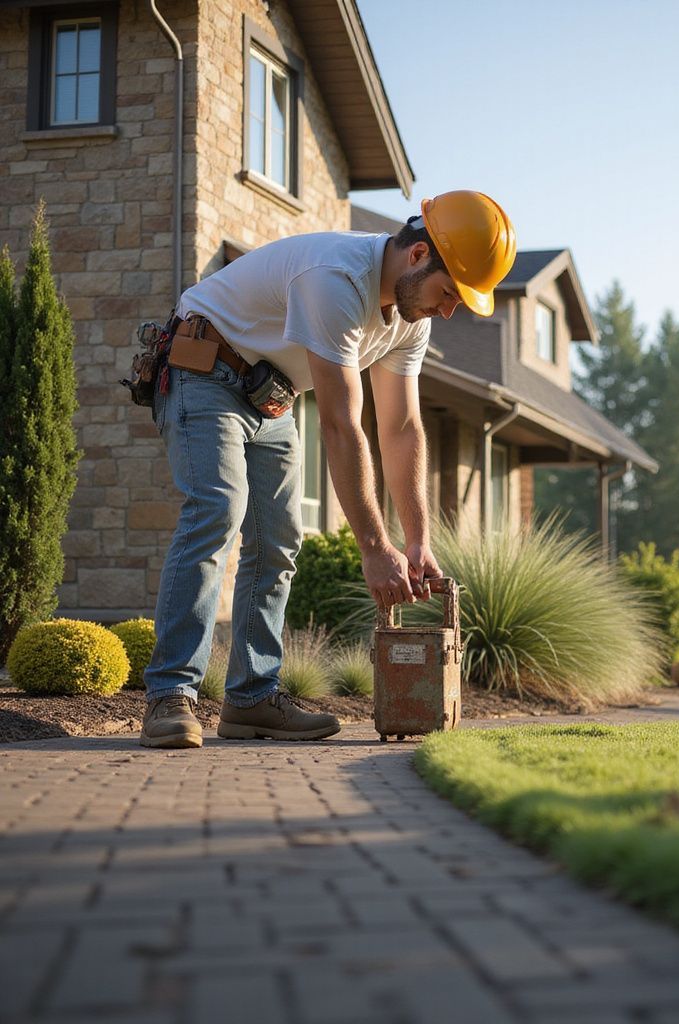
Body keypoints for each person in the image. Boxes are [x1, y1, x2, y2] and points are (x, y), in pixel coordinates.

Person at [139, 190, 517, 749]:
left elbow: (403, 428)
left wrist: (415, 541)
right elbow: (343, 425)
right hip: (203, 368)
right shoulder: (335, 278)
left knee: (279, 539)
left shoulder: (410, 318)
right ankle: (171, 695)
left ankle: (250, 701)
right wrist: (373, 548)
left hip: (268, 394)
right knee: (218, 510)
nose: (449, 309)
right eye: (449, 291)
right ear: (417, 256)